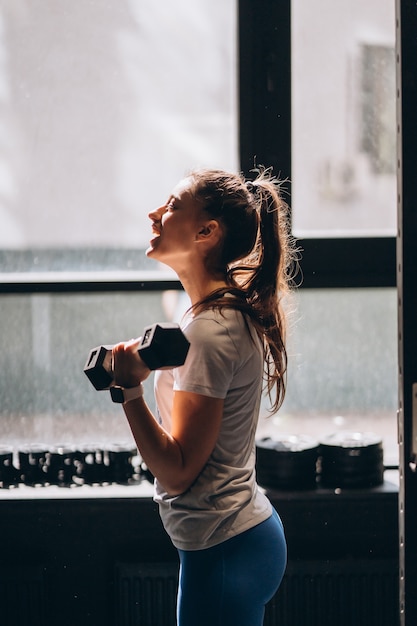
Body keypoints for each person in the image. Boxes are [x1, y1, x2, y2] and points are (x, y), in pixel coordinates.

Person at [112, 167, 296, 626]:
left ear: (206, 231)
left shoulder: (212, 333)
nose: (155, 214)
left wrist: (129, 389)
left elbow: (177, 473)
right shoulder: (210, 317)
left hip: (226, 548)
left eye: (172, 206)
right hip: (228, 542)